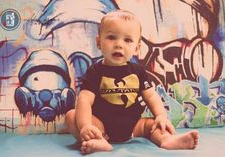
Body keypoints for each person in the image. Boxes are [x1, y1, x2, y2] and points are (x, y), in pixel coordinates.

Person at [65, 9, 199, 154]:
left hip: (134, 126)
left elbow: (152, 97)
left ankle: (166, 140)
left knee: (154, 124)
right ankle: (98, 141)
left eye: (127, 40)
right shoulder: (94, 72)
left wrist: (161, 116)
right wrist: (85, 125)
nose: (119, 44)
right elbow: (84, 100)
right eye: (111, 37)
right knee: (72, 116)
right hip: (100, 125)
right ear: (99, 42)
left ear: (137, 48)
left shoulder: (138, 71)